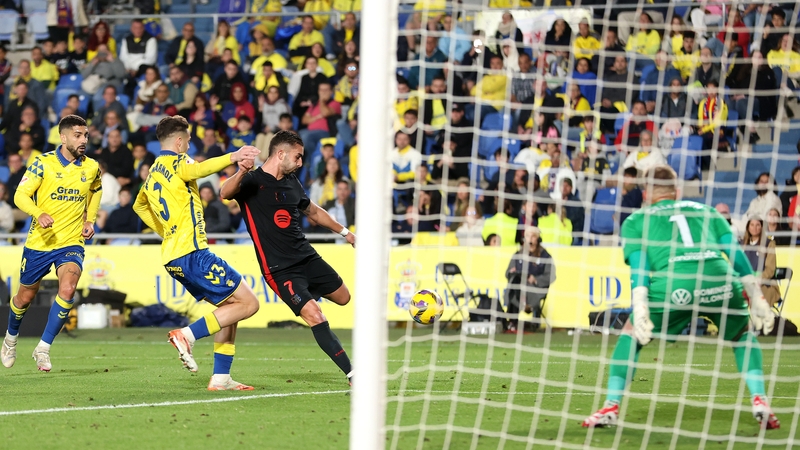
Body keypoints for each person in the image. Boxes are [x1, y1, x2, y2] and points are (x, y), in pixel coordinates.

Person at [582, 165, 779, 429]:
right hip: (719, 280)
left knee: (631, 334)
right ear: (676, 192)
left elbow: (640, 266)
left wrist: (639, 304)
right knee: (742, 334)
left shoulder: (636, 220)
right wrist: (756, 295)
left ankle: (610, 406)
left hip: (675, 285)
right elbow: (733, 251)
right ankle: (760, 399)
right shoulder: (706, 211)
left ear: (646, 194)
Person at [132, 116, 261, 391]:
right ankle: (187, 335)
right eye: (188, 140)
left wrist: (165, 231)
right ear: (178, 142)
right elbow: (199, 170)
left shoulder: (153, 171)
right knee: (250, 304)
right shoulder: (179, 161)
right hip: (193, 252)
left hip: (173, 255)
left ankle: (221, 377)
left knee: (230, 308)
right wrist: (233, 156)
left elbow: (139, 206)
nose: (189, 145)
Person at [220, 130, 356, 386]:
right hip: (280, 270)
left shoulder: (292, 182)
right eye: (298, 157)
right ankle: (352, 373)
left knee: (343, 297)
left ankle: (308, 297)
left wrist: (346, 233)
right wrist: (240, 172)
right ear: (280, 153)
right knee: (316, 316)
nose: (300, 163)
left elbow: (313, 211)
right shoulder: (251, 180)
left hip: (307, 256)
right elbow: (225, 193)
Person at [1, 115, 102, 372]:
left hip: (71, 242)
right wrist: (38, 213)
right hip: (40, 242)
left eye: (86, 135)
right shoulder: (42, 163)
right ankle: (11, 339)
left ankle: (43, 347)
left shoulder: (91, 167)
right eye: (78, 135)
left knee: (68, 289)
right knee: (24, 297)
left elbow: (96, 190)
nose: (83, 140)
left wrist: (90, 220)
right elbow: (20, 194)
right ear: (64, 137)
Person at [504, 226, 555, 333]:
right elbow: (507, 273)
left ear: (538, 239)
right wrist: (511, 272)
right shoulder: (518, 255)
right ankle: (513, 321)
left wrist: (535, 279)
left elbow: (551, 276)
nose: (530, 239)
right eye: (528, 236)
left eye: (533, 236)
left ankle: (529, 313)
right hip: (519, 288)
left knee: (517, 288)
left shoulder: (545, 257)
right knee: (514, 284)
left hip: (535, 289)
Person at [742, 215, 781, 307]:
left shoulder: (769, 244)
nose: (754, 228)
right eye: (752, 225)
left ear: (762, 227)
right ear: (748, 227)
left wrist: (757, 280)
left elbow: (770, 270)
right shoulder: (742, 244)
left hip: (764, 284)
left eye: (758, 225)